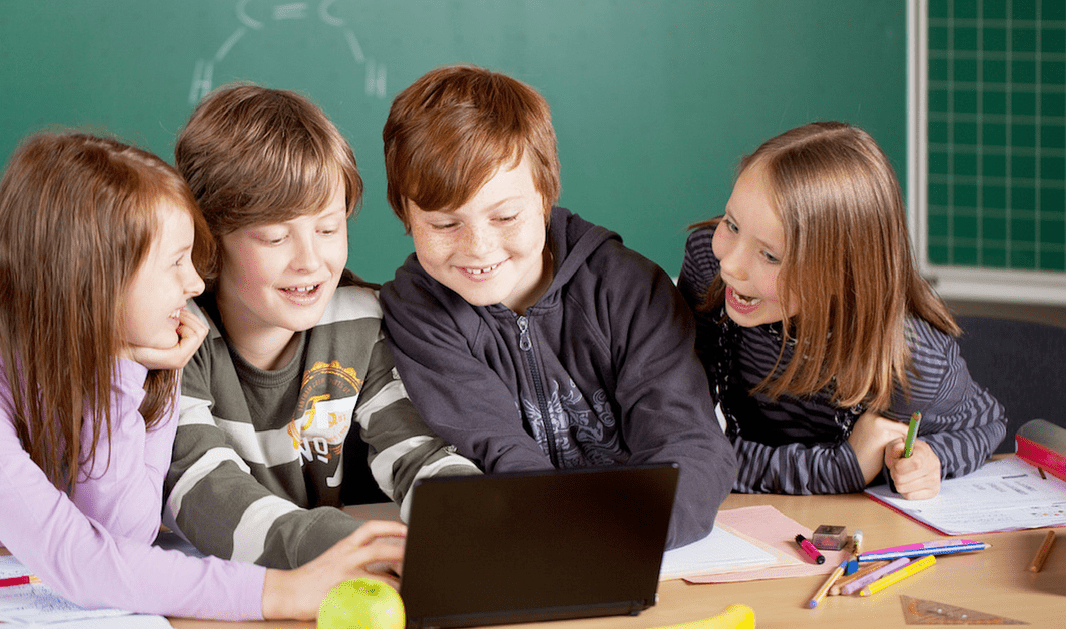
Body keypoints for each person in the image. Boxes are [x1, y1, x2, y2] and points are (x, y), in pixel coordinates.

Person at [0, 132, 401, 621]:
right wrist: (283, 592)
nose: (195, 283)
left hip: (38, 588)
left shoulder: (140, 363)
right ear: (96, 281)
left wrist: (124, 376)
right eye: (174, 264)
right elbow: (82, 561)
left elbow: (125, 534)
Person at [378, 65, 736, 550]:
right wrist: (565, 539)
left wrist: (622, 536)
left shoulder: (630, 288)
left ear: (545, 195)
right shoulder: (417, 311)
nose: (479, 247)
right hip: (523, 547)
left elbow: (689, 446)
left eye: (505, 216)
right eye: (444, 225)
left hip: (643, 546)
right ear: (405, 211)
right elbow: (496, 451)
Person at [166, 84, 479, 571]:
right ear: (208, 237)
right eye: (275, 236)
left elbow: (415, 450)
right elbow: (203, 492)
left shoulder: (359, 323)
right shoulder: (176, 340)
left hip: (327, 584)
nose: (310, 261)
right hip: (224, 594)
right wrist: (357, 547)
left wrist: (469, 516)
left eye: (329, 228)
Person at [677, 121, 1007, 500]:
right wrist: (842, 468)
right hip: (744, 518)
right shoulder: (708, 267)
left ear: (842, 274)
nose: (731, 265)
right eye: (731, 225)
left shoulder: (912, 358)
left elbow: (986, 423)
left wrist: (935, 458)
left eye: (769, 255)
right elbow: (681, 448)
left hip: (849, 526)